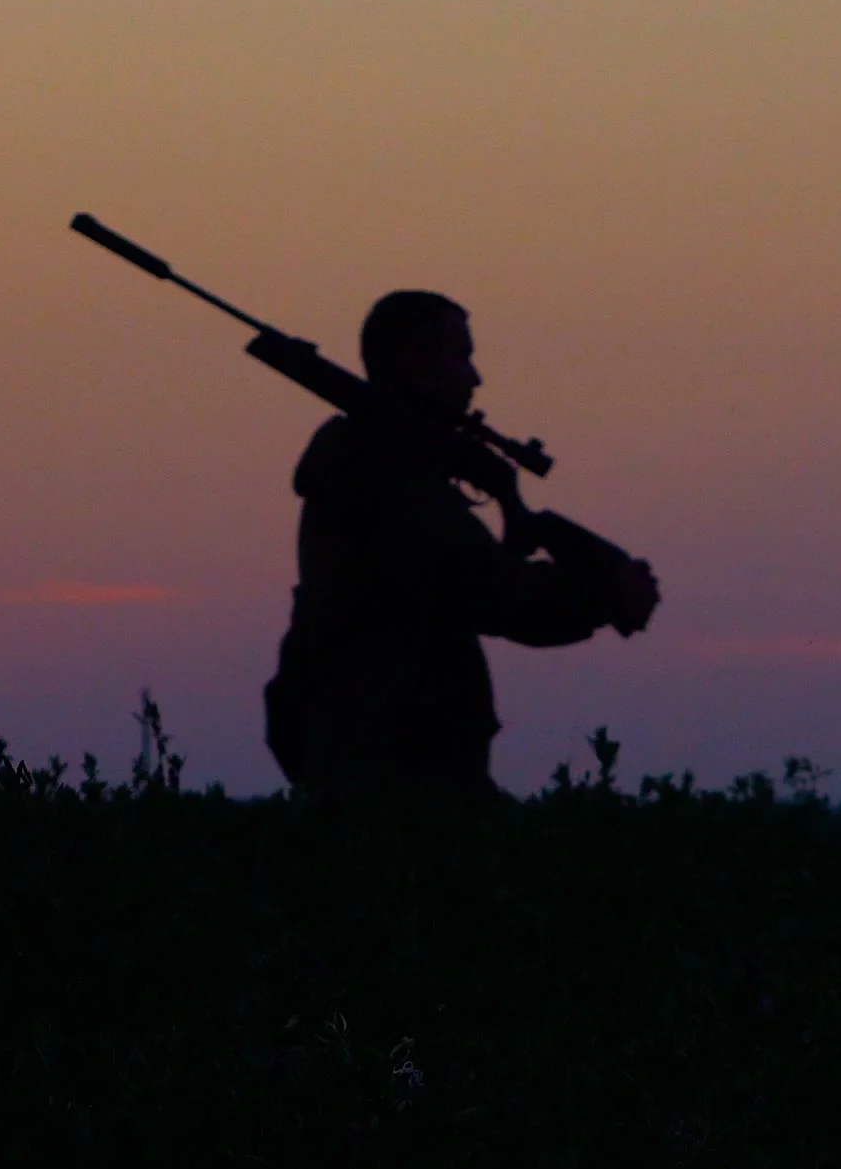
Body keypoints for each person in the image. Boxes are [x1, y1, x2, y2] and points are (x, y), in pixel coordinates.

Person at [263, 290, 659, 798]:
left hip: (393, 760)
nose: (475, 378)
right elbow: (495, 594)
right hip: (392, 772)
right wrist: (605, 592)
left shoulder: (375, 464)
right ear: (411, 361)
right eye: (460, 357)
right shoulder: (381, 473)